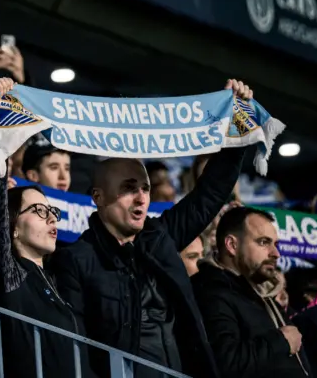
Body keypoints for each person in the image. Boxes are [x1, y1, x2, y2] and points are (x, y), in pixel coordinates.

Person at [50, 79, 256, 378]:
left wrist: (238, 123)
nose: (141, 197)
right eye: (129, 188)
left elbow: (210, 192)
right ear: (98, 197)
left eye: (145, 188)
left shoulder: (162, 236)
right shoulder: (76, 260)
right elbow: (74, 346)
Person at [0, 77, 90, 378]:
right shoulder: (8, 275)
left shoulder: (59, 283)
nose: (52, 218)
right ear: (13, 226)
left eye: (52, 211)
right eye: (39, 211)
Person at [193, 207, 312, 377]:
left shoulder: (256, 291)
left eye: (275, 244)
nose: (276, 253)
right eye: (263, 242)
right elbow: (226, 365)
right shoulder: (212, 293)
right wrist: (281, 341)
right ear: (232, 245)